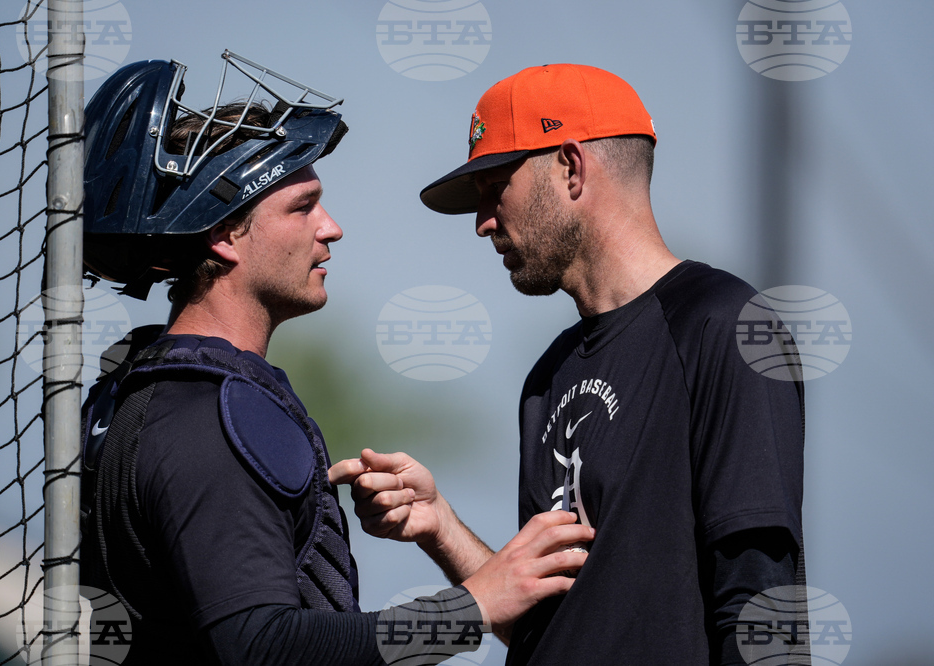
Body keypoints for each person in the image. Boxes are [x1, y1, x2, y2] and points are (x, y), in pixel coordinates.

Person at [78, 53, 595, 666]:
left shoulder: (134, 390)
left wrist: (439, 526)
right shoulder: (212, 415)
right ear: (222, 233)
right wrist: (474, 606)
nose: (332, 228)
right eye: (302, 207)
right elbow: (261, 646)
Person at [333, 64, 806, 665]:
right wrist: (439, 524)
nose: (483, 224)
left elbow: (759, 601)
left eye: (494, 189)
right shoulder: (547, 376)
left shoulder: (724, 324)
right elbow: (546, 623)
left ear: (571, 168)